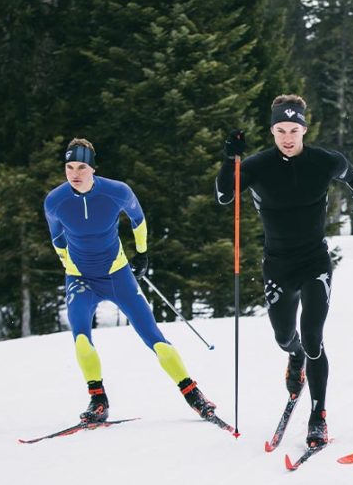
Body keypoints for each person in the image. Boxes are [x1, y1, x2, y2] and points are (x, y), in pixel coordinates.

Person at [215, 94, 353, 447]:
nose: (287, 137)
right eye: (280, 130)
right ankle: (294, 354)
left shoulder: (324, 161)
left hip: (315, 262)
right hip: (277, 265)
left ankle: (318, 416)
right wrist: (230, 159)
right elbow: (225, 195)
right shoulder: (257, 166)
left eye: (293, 129)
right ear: (272, 131)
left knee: (313, 336)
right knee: (285, 337)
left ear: (304, 129)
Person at [45, 138, 225, 427]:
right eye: (69, 167)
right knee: (81, 337)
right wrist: (69, 265)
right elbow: (57, 238)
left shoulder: (117, 192)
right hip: (81, 279)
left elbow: (137, 219)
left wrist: (142, 254)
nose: (74, 174)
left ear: (93, 168)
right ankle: (98, 400)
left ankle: (193, 394)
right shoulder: (55, 201)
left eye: (81, 167)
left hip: (117, 275)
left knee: (153, 336)